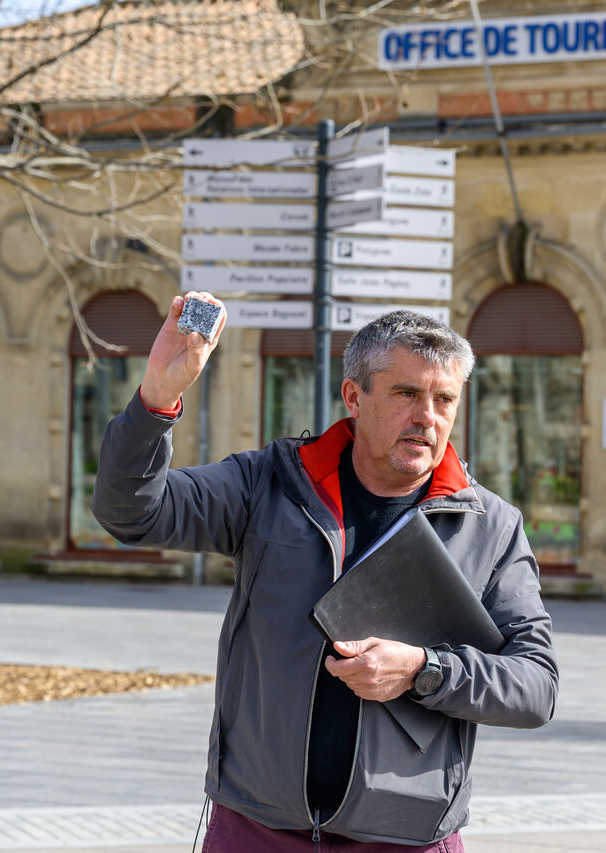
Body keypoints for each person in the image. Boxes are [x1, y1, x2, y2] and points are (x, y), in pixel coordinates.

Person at [92, 295, 559, 851]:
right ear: (354, 397)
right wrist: (157, 397)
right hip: (256, 828)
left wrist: (424, 671)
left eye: (444, 399)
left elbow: (536, 688)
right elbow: (132, 513)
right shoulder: (269, 484)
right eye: (407, 394)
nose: (427, 418)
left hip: (407, 837)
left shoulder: (491, 527)